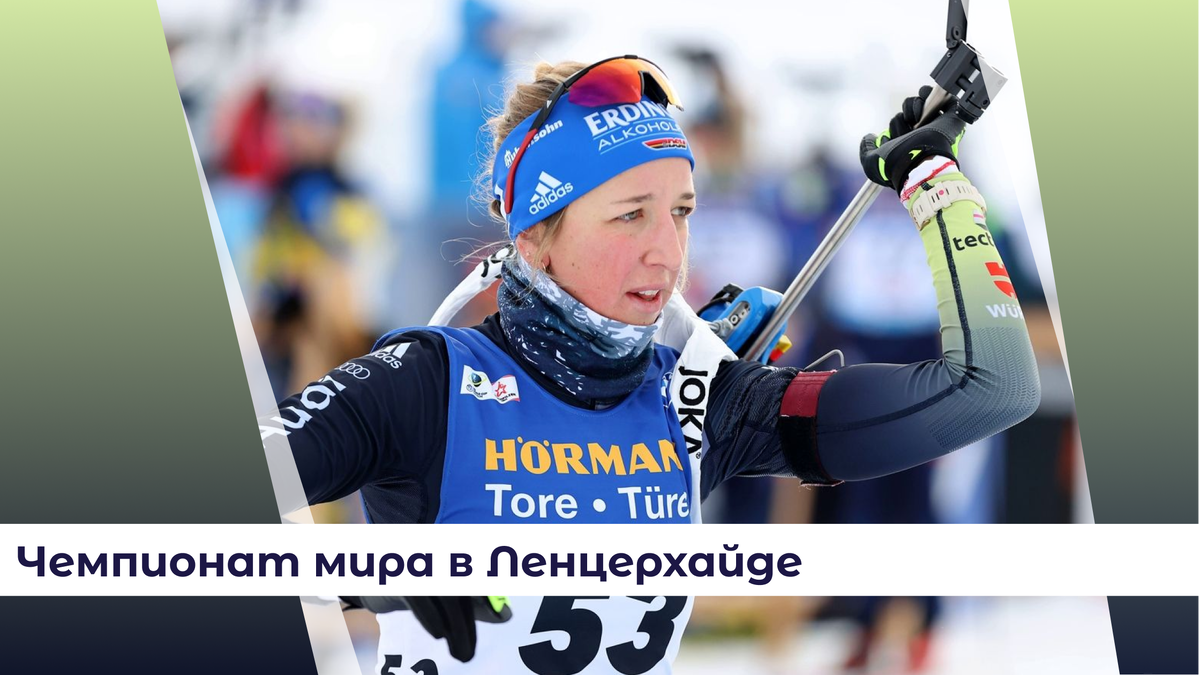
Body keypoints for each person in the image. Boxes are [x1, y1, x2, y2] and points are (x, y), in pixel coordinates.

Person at [259, 57, 1041, 674]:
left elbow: (990, 389)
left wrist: (935, 183)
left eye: (681, 211)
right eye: (630, 214)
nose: (667, 252)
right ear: (535, 236)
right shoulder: (425, 383)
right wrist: (369, 572)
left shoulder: (699, 399)